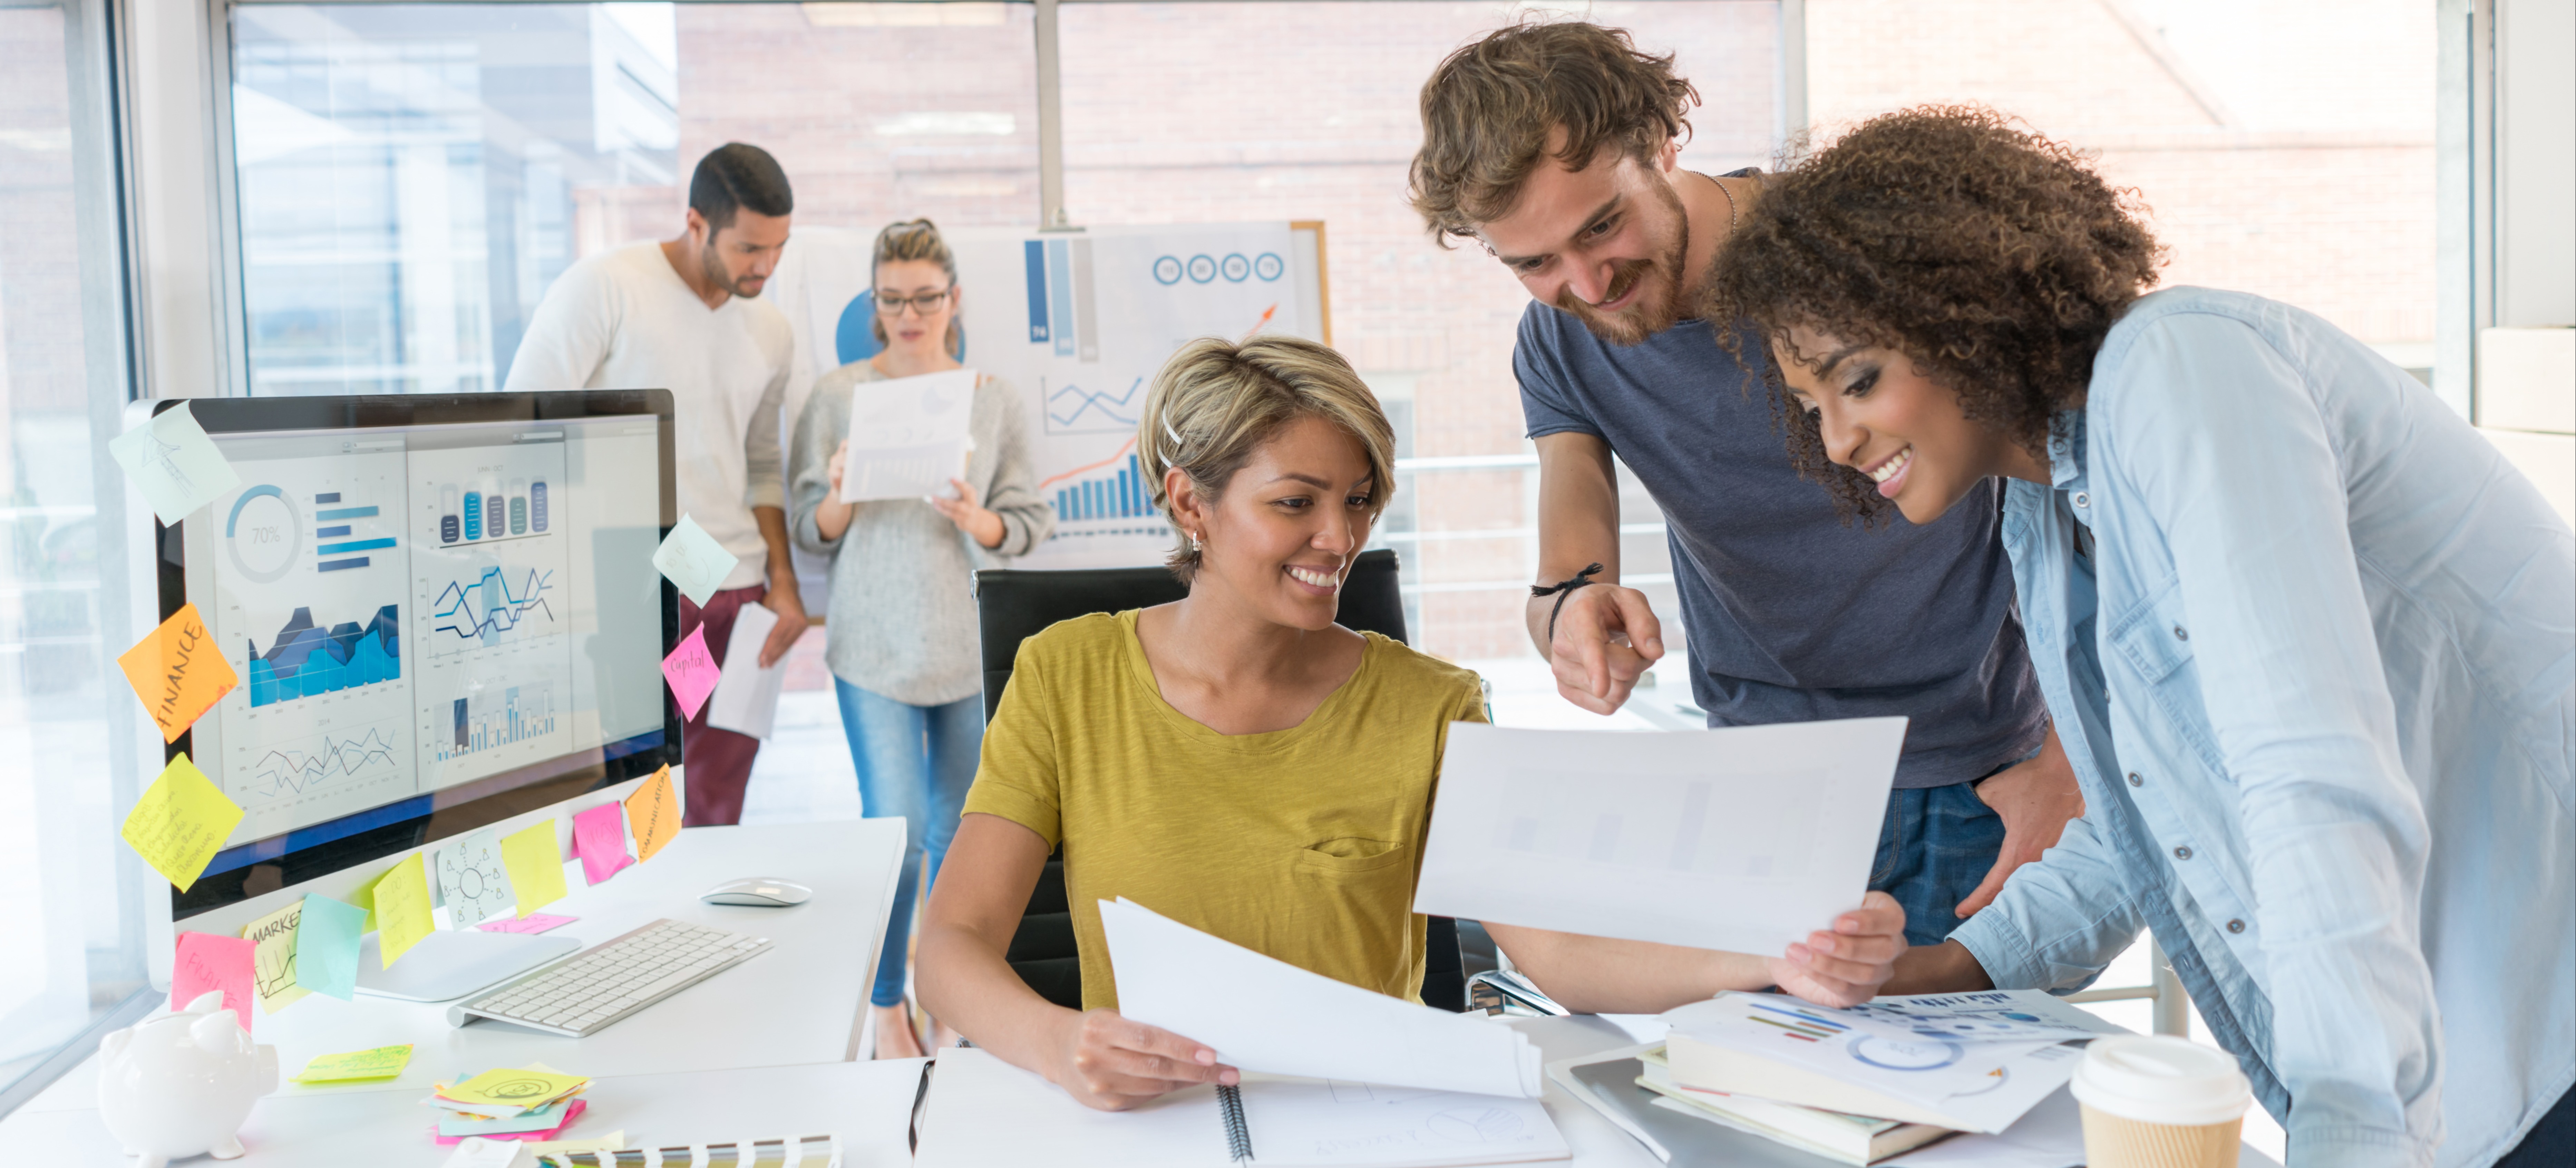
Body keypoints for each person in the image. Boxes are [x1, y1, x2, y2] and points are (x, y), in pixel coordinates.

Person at [1705, 105, 2574, 1168]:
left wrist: (2350, 1132)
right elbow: (2150, 822)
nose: (1837, 440)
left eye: (1857, 378)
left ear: (1962, 311)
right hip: (2478, 1064)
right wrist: (1936, 971)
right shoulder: (2045, 513)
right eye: (1809, 405)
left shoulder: (2184, 368)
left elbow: (2309, 769)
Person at [915, 335, 1909, 1110]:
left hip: (1371, 1123)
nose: (1339, 539)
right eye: (1296, 502)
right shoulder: (1066, 675)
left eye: (1358, 500)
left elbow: (1553, 952)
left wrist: (1771, 961)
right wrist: (1059, 1045)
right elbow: (952, 944)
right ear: (1191, 503)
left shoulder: (1431, 701)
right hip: (1149, 1120)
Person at [1402, 21, 2079, 995]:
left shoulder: (1849, 252)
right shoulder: (1560, 340)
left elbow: (2071, 488)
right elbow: (1567, 565)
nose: (1586, 284)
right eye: (1534, 263)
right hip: (1766, 787)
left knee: (1967, 1116)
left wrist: (2068, 756)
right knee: (1776, 1106)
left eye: (1601, 227)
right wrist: (1573, 614)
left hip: (1976, 765)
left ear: (1663, 144)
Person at [788, 218, 1053, 1059]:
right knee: (894, 833)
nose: (909, 315)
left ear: (954, 301)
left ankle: (956, 995)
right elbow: (807, 527)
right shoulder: (837, 395)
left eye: (925, 299)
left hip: (965, 645)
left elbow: (1028, 524)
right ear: (874, 302)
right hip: (872, 643)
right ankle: (885, 1002)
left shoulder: (993, 398)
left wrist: (977, 516)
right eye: (893, 300)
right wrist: (840, 495)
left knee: (963, 834)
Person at [506, 142, 808, 827]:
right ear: (697, 223)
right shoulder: (606, 287)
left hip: (734, 596)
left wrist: (784, 582)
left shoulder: (772, 329)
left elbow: (761, 465)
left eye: (779, 248)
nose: (764, 266)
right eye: (748, 248)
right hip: (633, 587)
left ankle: (702, 934)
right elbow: (523, 427)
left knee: (714, 802)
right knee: (625, 800)